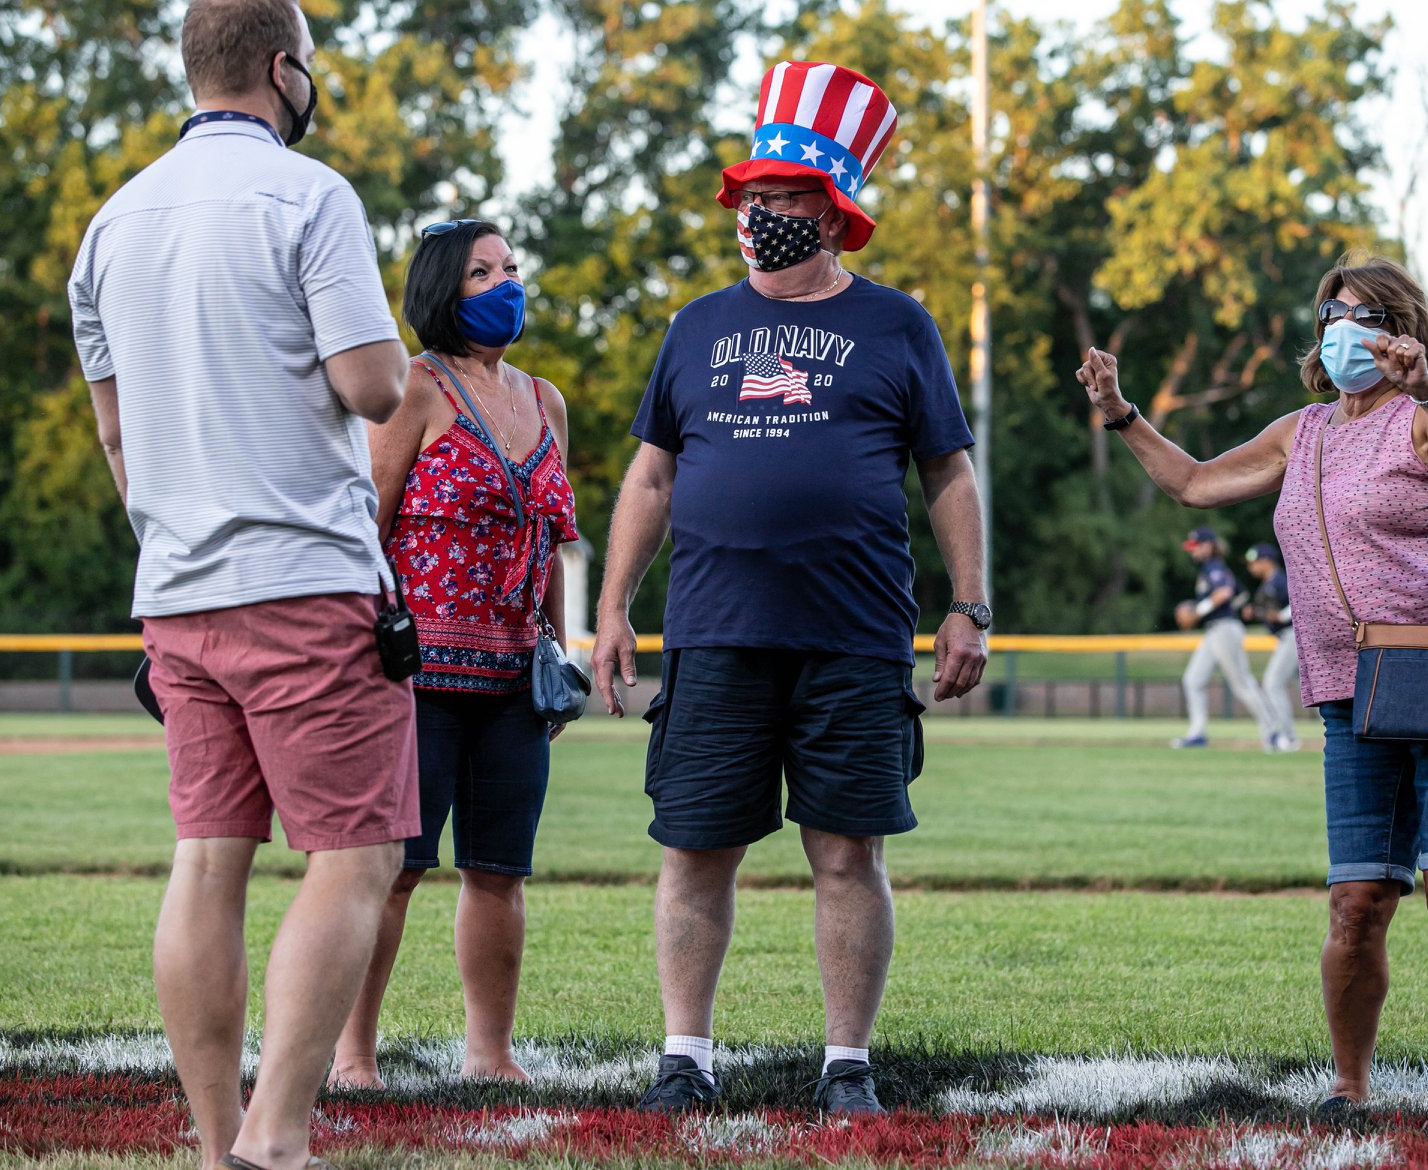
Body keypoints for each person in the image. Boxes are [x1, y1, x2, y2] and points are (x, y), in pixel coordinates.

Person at [590, 60, 989, 1117]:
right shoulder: (695, 327)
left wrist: (969, 602)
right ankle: (686, 1055)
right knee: (695, 845)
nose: (760, 214)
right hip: (715, 630)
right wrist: (613, 604)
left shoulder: (899, 324)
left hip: (855, 635)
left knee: (847, 851)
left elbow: (948, 470)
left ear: (833, 212)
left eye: (783, 199)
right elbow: (652, 473)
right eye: (751, 198)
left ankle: (845, 1063)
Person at [66, 1, 415, 1166]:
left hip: (176, 589)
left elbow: (117, 439)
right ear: (281, 69)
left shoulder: (108, 226)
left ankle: (215, 1143)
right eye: (310, 68)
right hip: (305, 578)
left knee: (207, 859)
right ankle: (278, 1136)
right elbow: (372, 388)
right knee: (356, 857)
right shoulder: (308, 197)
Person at [1076, 253, 1428, 1118]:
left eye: (1362, 314)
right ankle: (1349, 1090)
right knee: (1356, 900)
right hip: (1347, 688)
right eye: (1330, 315)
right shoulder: (1305, 430)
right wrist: (1120, 415)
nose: (1340, 330)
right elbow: (1197, 482)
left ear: (1401, 330)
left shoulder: (1423, 417)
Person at [328, 219, 578, 1088]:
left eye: (512, 266)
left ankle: (489, 1052)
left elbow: (549, 539)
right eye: (483, 272)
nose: (507, 282)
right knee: (393, 874)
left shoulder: (545, 399)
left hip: (514, 679)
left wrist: (556, 652)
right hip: (416, 679)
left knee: (500, 872)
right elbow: (366, 521)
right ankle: (352, 1053)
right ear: (443, 288)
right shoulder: (415, 388)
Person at [1170, 526, 1279, 750]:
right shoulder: (1211, 569)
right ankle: (1197, 733)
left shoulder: (1214, 567)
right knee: (1193, 680)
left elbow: (1225, 593)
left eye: (1196, 546)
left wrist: (1197, 611)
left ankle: (1274, 732)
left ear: (1208, 545)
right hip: (1214, 631)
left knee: (1242, 684)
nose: (1193, 551)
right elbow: (1240, 595)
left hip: (1224, 630)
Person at [1243, 542, 1301, 752]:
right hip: (1284, 637)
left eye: (1254, 561)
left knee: (1273, 683)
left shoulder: (1279, 580)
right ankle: (1283, 734)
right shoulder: (1268, 583)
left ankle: (1288, 736)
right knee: (1283, 684)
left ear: (1266, 560)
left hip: (1293, 634)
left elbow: (1299, 600)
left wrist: (1280, 615)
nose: (1251, 567)